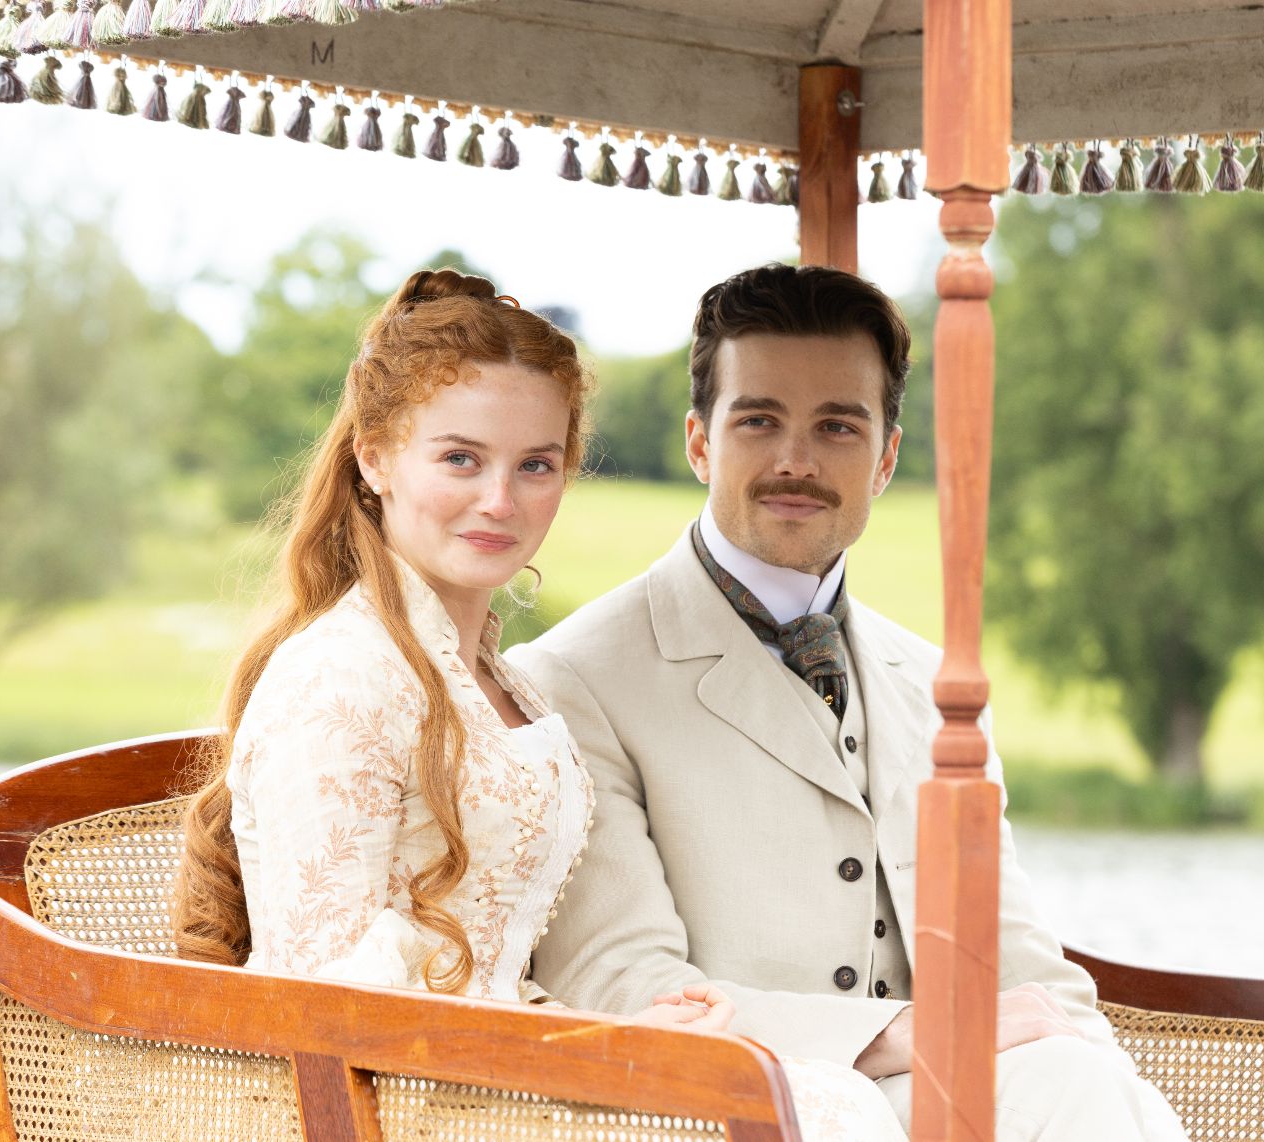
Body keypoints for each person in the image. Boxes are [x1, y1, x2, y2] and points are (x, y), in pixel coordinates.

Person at [169, 268, 907, 1140]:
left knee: (815, 1097)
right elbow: (326, 998)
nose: (500, 502)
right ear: (374, 457)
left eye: (536, 466)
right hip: (388, 1102)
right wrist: (588, 1044)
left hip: (500, 1078)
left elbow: (496, 966)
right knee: (810, 1111)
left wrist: (627, 1034)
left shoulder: (498, 681)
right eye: (460, 459)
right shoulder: (339, 678)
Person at [509, 264, 1190, 1141]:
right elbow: (623, 986)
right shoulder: (576, 677)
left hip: (952, 1114)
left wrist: (1112, 1086)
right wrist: (908, 1036)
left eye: (838, 425)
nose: (796, 460)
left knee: (1078, 1078)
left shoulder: (939, 687)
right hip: (740, 1112)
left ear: (887, 456)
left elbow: (1025, 973)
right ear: (699, 442)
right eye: (759, 420)